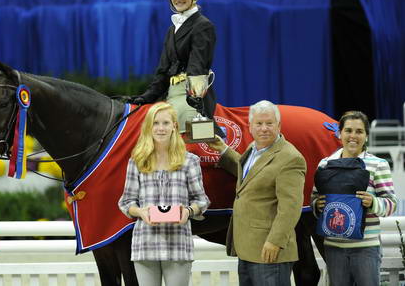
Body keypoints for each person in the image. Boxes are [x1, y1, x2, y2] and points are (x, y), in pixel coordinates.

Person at [208, 100, 306, 285]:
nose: (264, 128)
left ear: (279, 125)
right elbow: (252, 175)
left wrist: (275, 241)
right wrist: (223, 150)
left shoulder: (290, 158)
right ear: (250, 127)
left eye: (269, 123)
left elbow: (290, 208)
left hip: (269, 250)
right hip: (248, 248)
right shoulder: (253, 148)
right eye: (259, 124)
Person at [118, 102, 210, 286]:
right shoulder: (137, 161)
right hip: (145, 244)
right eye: (156, 123)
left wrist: (189, 212)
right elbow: (126, 201)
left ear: (174, 126)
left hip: (178, 243)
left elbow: (201, 200)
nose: (160, 128)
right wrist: (141, 212)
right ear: (148, 127)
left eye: (166, 123)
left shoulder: (189, 161)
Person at [130, 0, 222, 136]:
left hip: (190, 96)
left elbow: (198, 66)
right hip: (169, 94)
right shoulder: (171, 30)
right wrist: (146, 96)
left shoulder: (203, 26)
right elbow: (163, 70)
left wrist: (193, 98)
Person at [311, 111, 396, 286]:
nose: (353, 136)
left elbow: (391, 204)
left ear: (366, 136)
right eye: (348, 130)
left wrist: (373, 202)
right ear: (339, 133)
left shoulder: (379, 164)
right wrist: (317, 205)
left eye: (359, 131)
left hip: (366, 248)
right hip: (333, 247)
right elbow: (315, 198)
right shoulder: (324, 164)